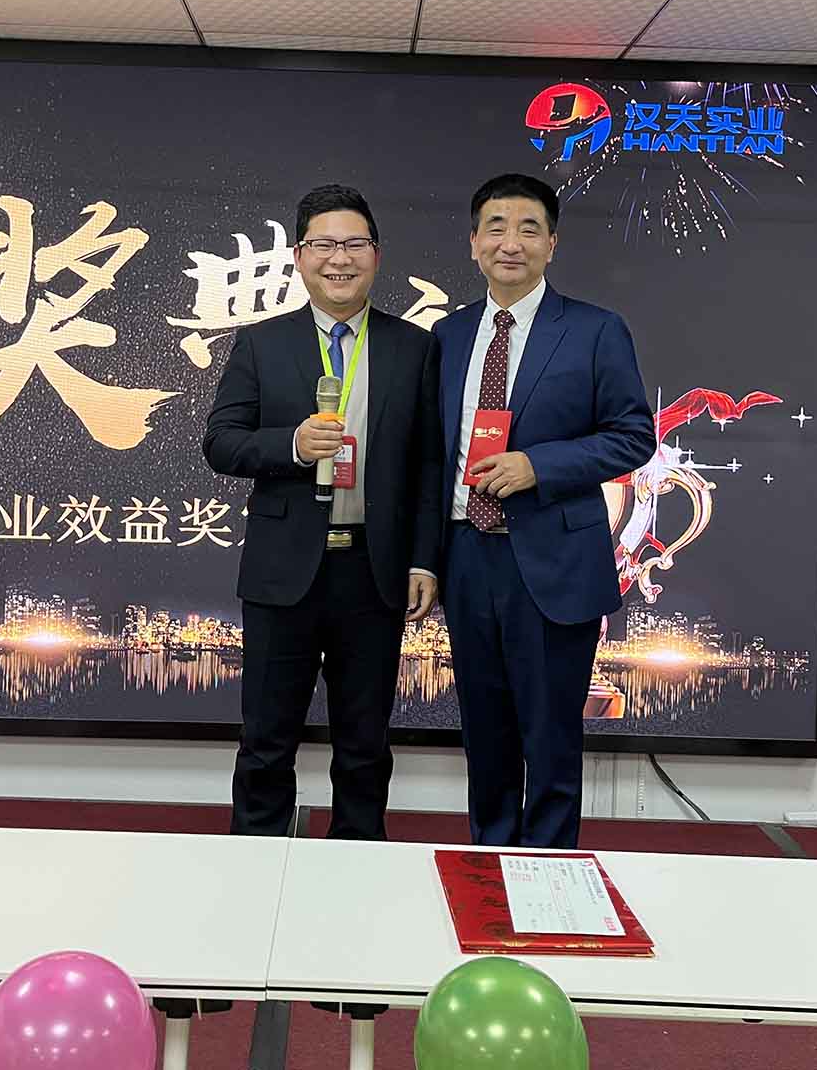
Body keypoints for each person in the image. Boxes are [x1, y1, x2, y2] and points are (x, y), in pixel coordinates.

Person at [205, 184, 442, 841]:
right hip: (283, 573)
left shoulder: (414, 347)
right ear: (299, 257)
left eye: (354, 244)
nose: (340, 258)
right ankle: (256, 864)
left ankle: (357, 865)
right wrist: (290, 444)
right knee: (266, 741)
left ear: (376, 255)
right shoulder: (262, 344)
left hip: (373, 570)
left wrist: (424, 559)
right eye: (324, 245)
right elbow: (221, 442)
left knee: (365, 746)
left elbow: (429, 464)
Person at [433, 173, 653, 848]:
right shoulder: (447, 334)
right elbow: (430, 451)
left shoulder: (594, 330)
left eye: (529, 229)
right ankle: (491, 855)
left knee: (552, 733)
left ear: (551, 244)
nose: (511, 243)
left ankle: (549, 865)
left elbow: (633, 436)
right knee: (485, 729)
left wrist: (539, 465)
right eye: (496, 227)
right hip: (466, 554)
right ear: (473, 242)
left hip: (554, 559)